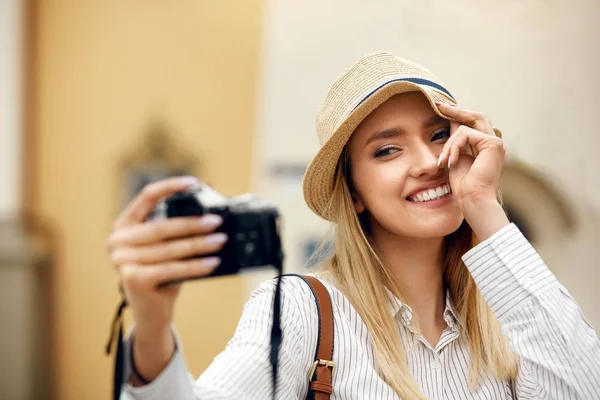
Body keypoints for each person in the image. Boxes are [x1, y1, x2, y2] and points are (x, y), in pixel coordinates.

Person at [108, 51, 600, 399]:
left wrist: (485, 206)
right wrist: (152, 325)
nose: (429, 161)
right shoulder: (303, 310)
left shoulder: (509, 316)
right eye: (387, 149)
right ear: (355, 193)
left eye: (439, 135)